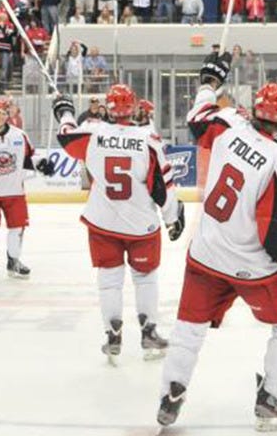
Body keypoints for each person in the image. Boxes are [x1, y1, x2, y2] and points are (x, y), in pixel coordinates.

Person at [158, 53, 277, 431]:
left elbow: (196, 118)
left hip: (205, 254)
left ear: (252, 109)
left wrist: (208, 82)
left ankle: (171, 395)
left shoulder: (227, 122)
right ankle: (269, 398)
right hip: (251, 268)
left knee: (187, 330)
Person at [54, 85, 176, 363]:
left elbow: (66, 135)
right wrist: (172, 218)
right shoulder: (149, 138)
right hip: (140, 223)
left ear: (108, 108)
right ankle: (148, 331)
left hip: (102, 221)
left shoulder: (92, 131)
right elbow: (163, 183)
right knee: (145, 277)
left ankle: (112, 334)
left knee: (109, 280)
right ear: (132, 108)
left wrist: (64, 111)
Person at [0, 97, 56, 278]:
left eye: (4, 113)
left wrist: (41, 164)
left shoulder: (19, 135)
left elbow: (29, 157)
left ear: (8, 115)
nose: (0, 116)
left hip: (15, 191)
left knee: (17, 228)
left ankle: (13, 260)